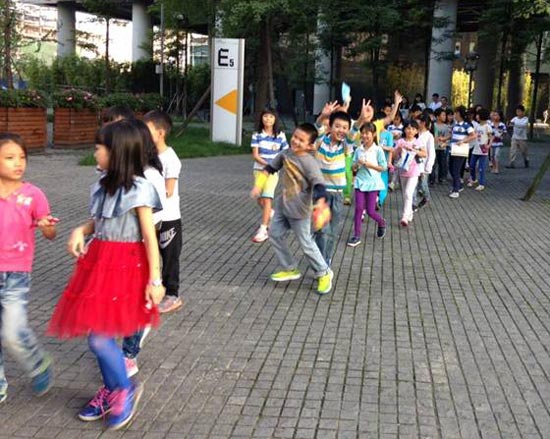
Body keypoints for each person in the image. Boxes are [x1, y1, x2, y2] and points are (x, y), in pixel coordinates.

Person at [47, 121, 164, 430]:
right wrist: (81, 230)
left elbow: (150, 238)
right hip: (99, 263)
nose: (95, 153)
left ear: (117, 152)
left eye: (99, 148)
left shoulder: (140, 188)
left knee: (99, 339)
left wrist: (156, 281)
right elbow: (100, 220)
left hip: (126, 267)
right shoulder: (102, 184)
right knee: (98, 334)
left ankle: (124, 388)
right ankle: (112, 389)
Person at [0, 133, 57, 404]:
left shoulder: (33, 195)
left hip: (16, 274)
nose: (18, 163)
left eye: (22, 157)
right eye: (10, 158)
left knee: (12, 332)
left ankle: (38, 363)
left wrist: (47, 227)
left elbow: (51, 233)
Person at [251, 123, 334, 295]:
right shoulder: (285, 154)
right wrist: (259, 185)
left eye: (301, 140)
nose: (295, 141)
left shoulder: (310, 163)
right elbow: (269, 169)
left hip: (300, 210)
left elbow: (319, 184)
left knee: (306, 244)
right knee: (274, 234)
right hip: (283, 206)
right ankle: (290, 268)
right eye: (295, 136)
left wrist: (321, 204)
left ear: (309, 145)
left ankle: (324, 272)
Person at [121, 119, 167, 378]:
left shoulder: (148, 177)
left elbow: (152, 226)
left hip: (138, 250)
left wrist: (155, 277)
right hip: (115, 253)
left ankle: (129, 353)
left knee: (135, 305)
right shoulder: (111, 177)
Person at [144, 111, 183, 314]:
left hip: (168, 217)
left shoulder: (170, 158)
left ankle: (172, 295)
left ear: (160, 133)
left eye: (147, 130)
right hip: (150, 217)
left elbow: (168, 190)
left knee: (169, 258)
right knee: (149, 255)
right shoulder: (147, 156)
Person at [314, 106, 360, 265]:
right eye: (337, 126)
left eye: (345, 127)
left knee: (332, 231)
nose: (341, 130)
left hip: (337, 195)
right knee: (322, 230)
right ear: (330, 126)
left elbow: (353, 134)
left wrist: (361, 119)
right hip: (320, 194)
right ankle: (320, 261)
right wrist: (323, 115)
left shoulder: (345, 146)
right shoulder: (320, 141)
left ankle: (326, 259)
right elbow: (317, 127)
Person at [250, 109, 288, 243]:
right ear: (261, 118)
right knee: (259, 199)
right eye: (265, 116)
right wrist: (268, 164)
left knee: (267, 199)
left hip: (273, 172)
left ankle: (263, 229)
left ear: (275, 119)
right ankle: (273, 215)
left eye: (271, 117)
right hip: (259, 171)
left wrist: (274, 166)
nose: (268, 119)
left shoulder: (281, 135)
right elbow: (255, 155)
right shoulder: (257, 135)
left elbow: (285, 153)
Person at [347, 122, 387, 247]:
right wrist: (357, 164)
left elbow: (383, 167)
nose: (364, 135)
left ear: (373, 134)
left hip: (373, 183)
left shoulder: (378, 150)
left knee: (370, 211)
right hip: (360, 182)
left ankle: (381, 222)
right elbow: (352, 167)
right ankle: (356, 235)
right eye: (362, 133)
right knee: (359, 208)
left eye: (367, 133)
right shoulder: (358, 150)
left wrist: (370, 165)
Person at [394, 121, 426, 226]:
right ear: (404, 129)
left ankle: (405, 216)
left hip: (414, 171)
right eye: (408, 128)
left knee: (408, 192)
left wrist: (415, 151)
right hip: (402, 170)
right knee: (405, 194)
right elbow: (394, 155)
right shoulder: (400, 141)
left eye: (413, 129)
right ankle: (410, 212)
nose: (410, 131)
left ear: (416, 131)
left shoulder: (418, 142)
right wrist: (399, 149)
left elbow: (424, 154)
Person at [448, 106, 476, 199]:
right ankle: (458, 186)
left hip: (460, 150)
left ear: (459, 114)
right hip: (453, 149)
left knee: (456, 170)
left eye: (455, 113)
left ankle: (455, 190)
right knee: (451, 168)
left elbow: (473, 135)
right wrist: (444, 140)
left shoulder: (466, 125)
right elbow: (452, 136)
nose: (454, 115)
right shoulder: (455, 125)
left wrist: (463, 141)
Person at [413, 114, 435, 210]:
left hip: (424, 164)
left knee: (423, 184)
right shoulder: (415, 133)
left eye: (418, 121)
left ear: (423, 123)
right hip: (414, 164)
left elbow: (431, 152)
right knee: (413, 184)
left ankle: (426, 197)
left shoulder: (429, 136)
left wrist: (428, 166)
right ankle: (413, 203)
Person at [468, 108, 492, 191]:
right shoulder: (477, 126)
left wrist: (488, 145)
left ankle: (481, 184)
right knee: (471, 165)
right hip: (476, 148)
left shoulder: (487, 127)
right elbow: (473, 135)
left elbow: (491, 137)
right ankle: (473, 179)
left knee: (481, 168)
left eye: (478, 115)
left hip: (483, 150)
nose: (476, 116)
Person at [431, 108, 451, 184]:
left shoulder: (446, 126)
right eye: (443, 115)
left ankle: (441, 178)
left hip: (442, 148)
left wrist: (444, 140)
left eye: (445, 115)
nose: (445, 117)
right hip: (434, 147)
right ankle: (432, 179)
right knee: (433, 164)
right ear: (437, 116)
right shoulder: (433, 125)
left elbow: (448, 136)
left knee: (442, 164)